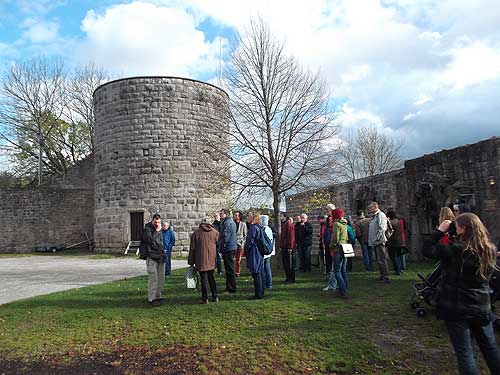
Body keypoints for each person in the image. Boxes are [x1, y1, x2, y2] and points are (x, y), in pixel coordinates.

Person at [423, 213, 500, 375]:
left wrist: (439, 231)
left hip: (457, 306)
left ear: (463, 229)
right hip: (481, 305)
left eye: (457, 226)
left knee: (465, 352)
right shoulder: (490, 249)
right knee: (490, 348)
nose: (455, 229)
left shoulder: (456, 250)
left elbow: (427, 249)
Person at [188, 218, 219, 304]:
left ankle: (205, 298)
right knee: (211, 278)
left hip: (200, 260)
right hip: (211, 259)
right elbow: (218, 245)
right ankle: (215, 296)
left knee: (204, 279)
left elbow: (192, 249)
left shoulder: (196, 234)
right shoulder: (215, 232)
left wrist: (191, 262)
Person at [138, 213, 166, 307]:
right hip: (151, 257)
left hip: (160, 256)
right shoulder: (147, 229)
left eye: (158, 222)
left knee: (161, 277)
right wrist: (157, 232)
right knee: (153, 278)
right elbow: (151, 241)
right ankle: (152, 298)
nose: (157, 224)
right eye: (155, 222)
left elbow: (161, 242)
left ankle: (158, 296)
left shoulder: (160, 229)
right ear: (152, 220)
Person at [323, 208, 349, 298]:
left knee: (337, 271)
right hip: (345, 247)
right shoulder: (344, 224)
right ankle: (344, 288)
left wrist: (331, 245)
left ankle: (343, 291)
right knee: (343, 270)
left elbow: (335, 238)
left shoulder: (336, 224)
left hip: (338, 248)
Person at [368, 202, 391, 283]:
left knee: (382, 259)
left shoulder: (380, 215)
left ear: (375, 207)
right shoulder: (375, 216)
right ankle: (382, 275)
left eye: (370, 207)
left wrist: (377, 239)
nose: (369, 209)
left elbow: (382, 228)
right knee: (379, 259)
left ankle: (386, 277)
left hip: (379, 241)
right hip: (376, 241)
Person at [245, 211, 266, 299]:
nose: (247, 218)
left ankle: (258, 294)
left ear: (253, 218)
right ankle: (261, 292)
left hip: (254, 252)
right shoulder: (259, 227)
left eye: (249, 216)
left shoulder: (253, 228)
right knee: (259, 273)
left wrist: (246, 251)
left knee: (256, 273)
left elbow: (249, 242)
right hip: (259, 252)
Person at [219, 208, 238, 293]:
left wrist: (220, 245)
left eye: (221, 213)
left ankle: (232, 287)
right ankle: (229, 286)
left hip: (228, 248)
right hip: (230, 248)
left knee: (229, 269)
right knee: (228, 268)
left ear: (226, 214)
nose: (220, 215)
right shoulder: (229, 222)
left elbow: (225, 237)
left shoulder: (228, 223)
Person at [279, 212, 296, 284]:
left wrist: (290, 247)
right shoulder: (285, 224)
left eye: (281, 216)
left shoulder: (289, 225)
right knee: (286, 264)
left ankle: (291, 279)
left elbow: (291, 236)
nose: (280, 217)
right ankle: (288, 277)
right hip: (284, 247)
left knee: (289, 264)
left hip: (288, 247)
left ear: (285, 217)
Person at [386, 210, 405, 275]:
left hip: (393, 241)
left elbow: (388, 232)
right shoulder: (399, 222)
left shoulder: (390, 222)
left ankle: (397, 270)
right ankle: (400, 268)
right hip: (400, 241)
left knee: (393, 256)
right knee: (398, 256)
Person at [261, 214, 275, 289]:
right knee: (267, 267)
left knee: (265, 268)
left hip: (265, 251)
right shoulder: (268, 229)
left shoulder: (265, 229)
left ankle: (267, 283)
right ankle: (268, 283)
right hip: (268, 251)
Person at [323, 203, 336, 278]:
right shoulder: (328, 218)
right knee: (328, 258)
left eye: (327, 209)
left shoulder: (334, 218)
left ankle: (332, 274)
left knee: (332, 258)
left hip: (332, 240)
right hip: (327, 240)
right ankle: (329, 272)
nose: (326, 211)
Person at [233, 211, 247, 277]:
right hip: (233, 244)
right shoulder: (232, 223)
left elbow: (245, 235)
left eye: (236, 215)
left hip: (240, 244)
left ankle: (237, 272)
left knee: (238, 260)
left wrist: (242, 243)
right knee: (233, 259)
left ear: (239, 216)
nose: (235, 216)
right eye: (234, 215)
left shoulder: (243, 224)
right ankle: (232, 271)